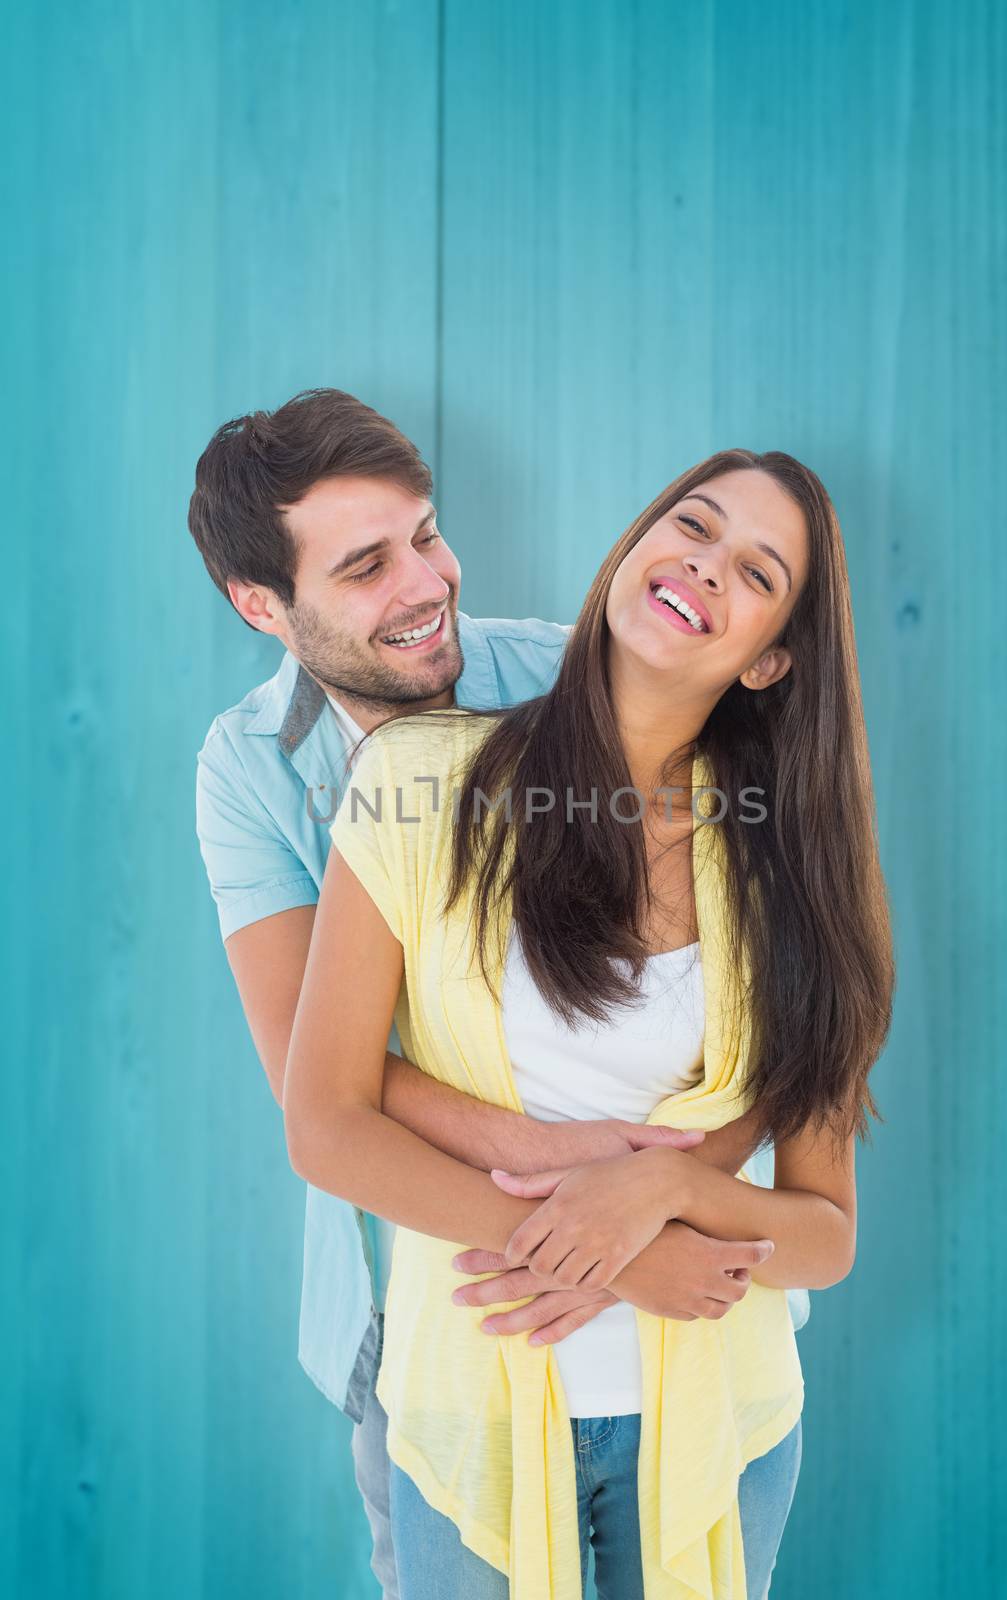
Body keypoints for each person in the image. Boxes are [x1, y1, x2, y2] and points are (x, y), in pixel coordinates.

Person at [190, 391, 807, 1599]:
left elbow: (755, 1001)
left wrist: (650, 1204)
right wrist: (583, 1206)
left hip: (689, 1301)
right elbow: (320, 1084)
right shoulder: (247, 771)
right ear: (262, 605)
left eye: (425, 534)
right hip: (420, 1289)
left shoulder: (570, 676)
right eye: (367, 566)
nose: (426, 582)